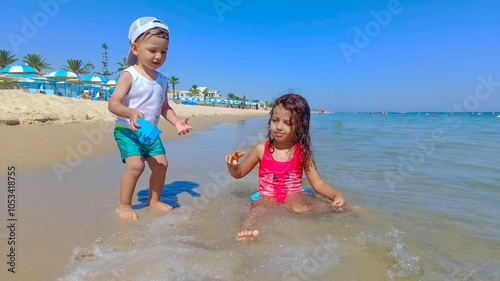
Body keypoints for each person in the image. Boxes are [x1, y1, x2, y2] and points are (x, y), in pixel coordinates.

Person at [225, 93, 346, 241]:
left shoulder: (302, 152)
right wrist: (233, 166)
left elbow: (318, 183)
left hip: (293, 195)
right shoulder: (260, 150)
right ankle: (246, 231)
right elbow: (239, 173)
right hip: (267, 196)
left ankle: (343, 214)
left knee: (310, 208)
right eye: (275, 120)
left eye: (287, 123)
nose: (279, 127)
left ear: (300, 127)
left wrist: (335, 196)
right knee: (256, 210)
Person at [108, 16, 193, 219]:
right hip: (128, 130)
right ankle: (124, 205)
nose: (158, 56)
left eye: (163, 52)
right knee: (136, 166)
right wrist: (129, 113)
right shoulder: (130, 75)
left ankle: (153, 201)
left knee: (161, 165)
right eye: (152, 50)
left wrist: (177, 122)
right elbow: (113, 103)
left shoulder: (162, 80)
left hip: (148, 131)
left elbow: (164, 108)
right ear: (136, 49)